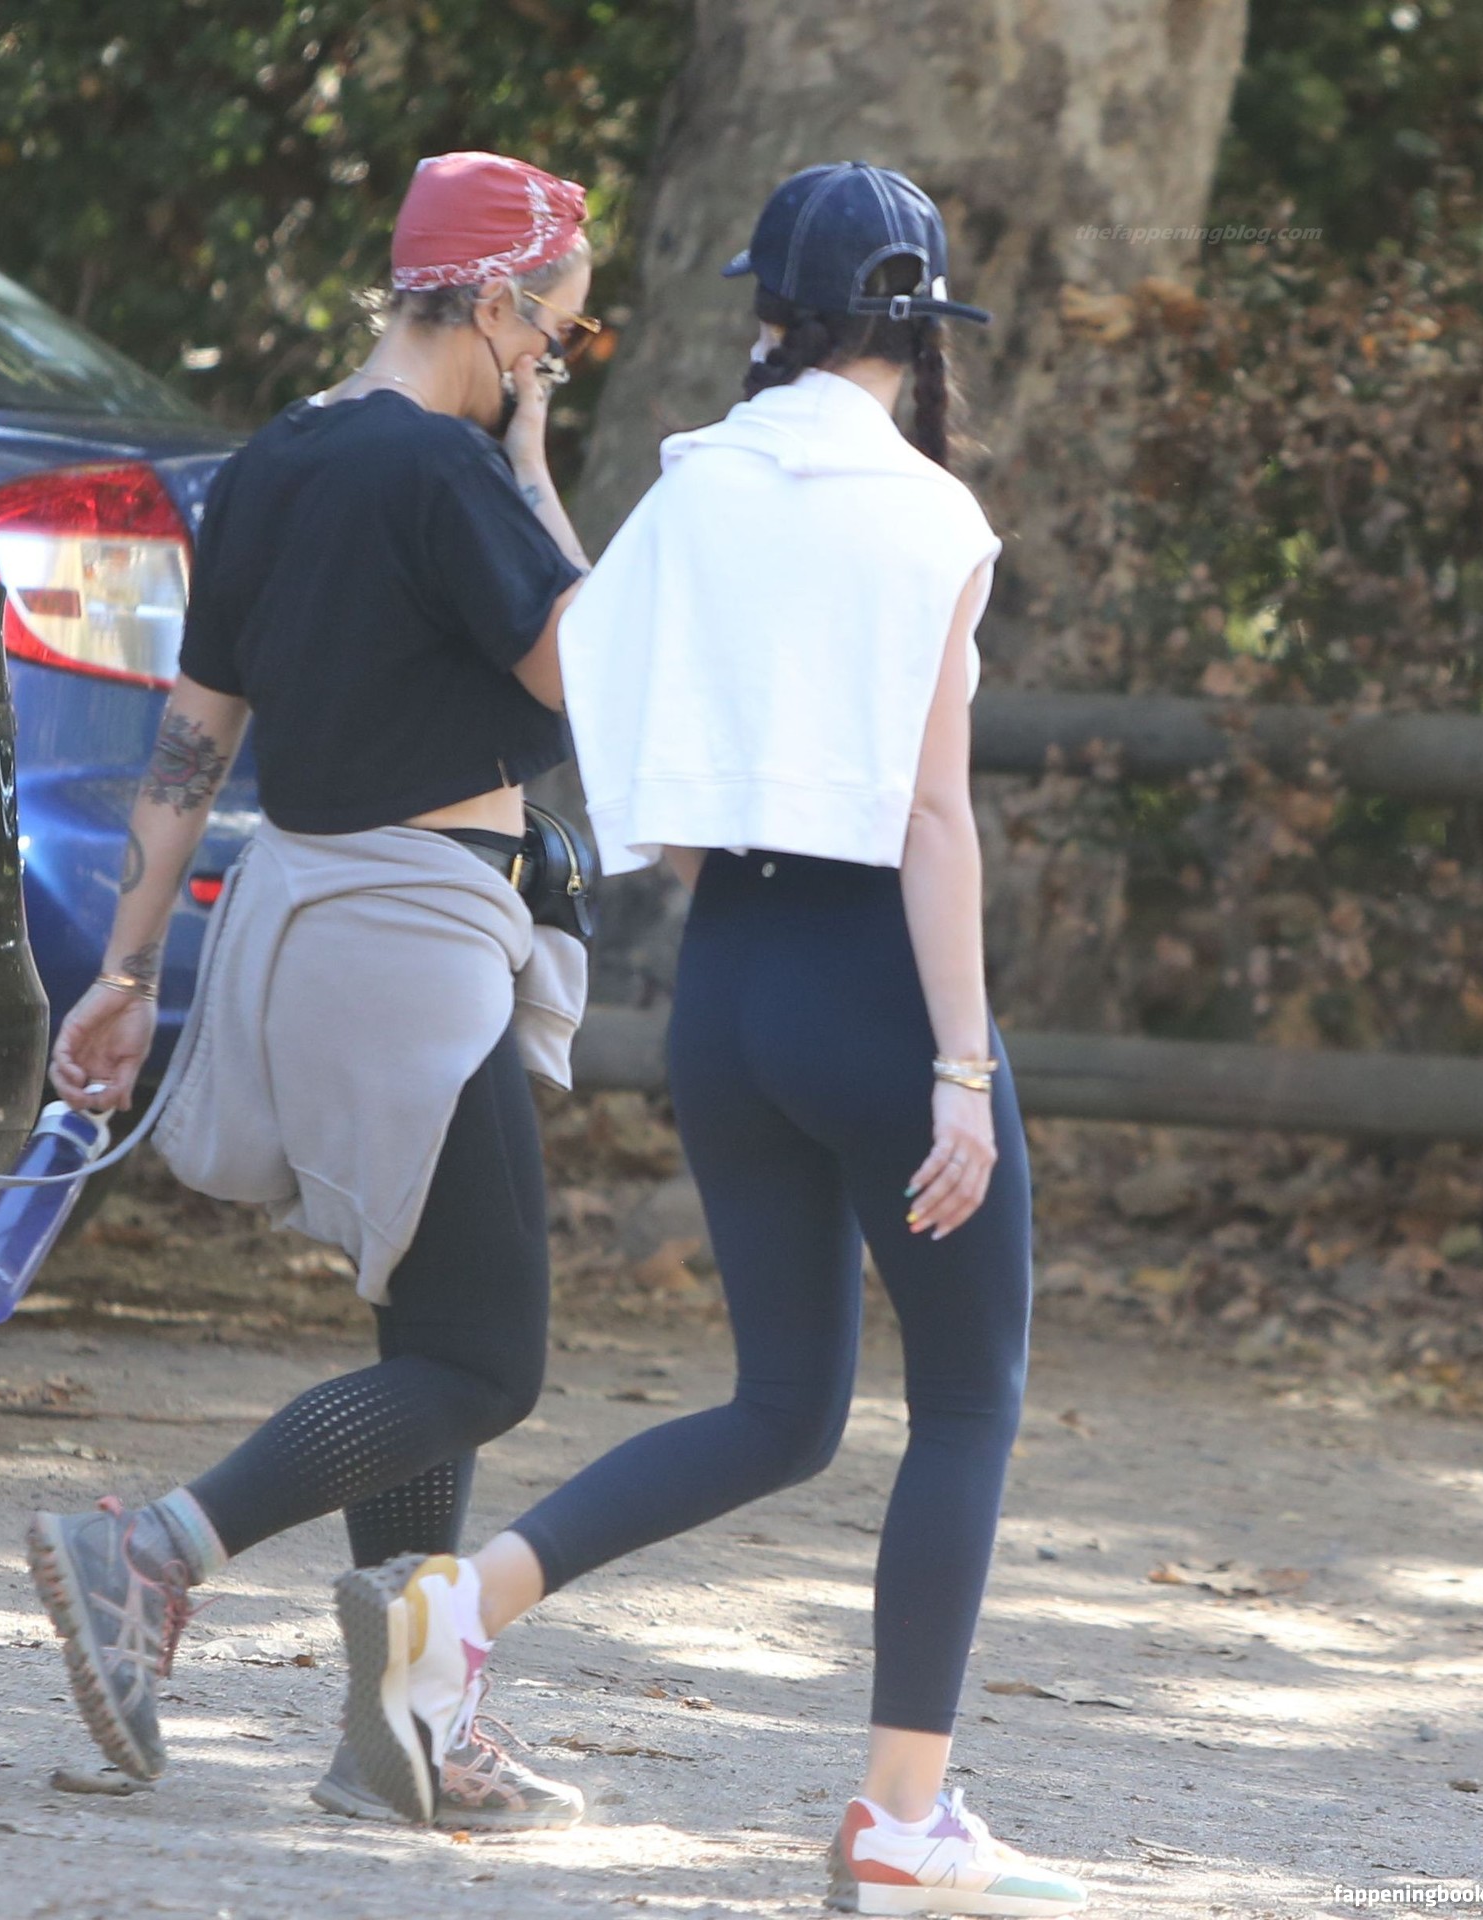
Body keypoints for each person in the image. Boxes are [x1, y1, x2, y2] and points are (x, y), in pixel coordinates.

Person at [333, 162, 1092, 1914]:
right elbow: (935, 821)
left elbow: (624, 744)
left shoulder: (690, 488)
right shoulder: (932, 518)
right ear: (920, 326)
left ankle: (462, 1604)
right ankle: (901, 1819)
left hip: (728, 983)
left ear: (772, 313)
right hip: (875, 984)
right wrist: (962, 1070)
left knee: (781, 1407)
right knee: (965, 1401)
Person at [24, 149, 602, 1832]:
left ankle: (402, 1734)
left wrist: (128, 969)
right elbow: (595, 674)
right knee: (486, 1361)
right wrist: (535, 467)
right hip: (414, 932)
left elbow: (190, 741)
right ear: (490, 300)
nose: (553, 363)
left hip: (308, 917)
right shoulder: (449, 470)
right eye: (557, 331)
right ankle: (154, 1550)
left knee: (428, 1333)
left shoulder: (274, 460)